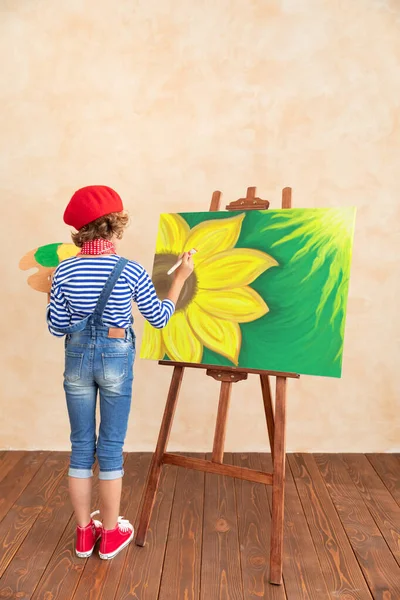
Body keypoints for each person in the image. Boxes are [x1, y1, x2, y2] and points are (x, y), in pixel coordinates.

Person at [47, 185, 193, 560]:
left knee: (81, 447)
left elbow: (56, 326)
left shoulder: (63, 270)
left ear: (79, 230)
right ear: (115, 225)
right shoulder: (130, 270)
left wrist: (53, 294)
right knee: (110, 448)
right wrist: (179, 278)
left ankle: (83, 535)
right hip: (115, 358)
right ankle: (110, 535)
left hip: (76, 359)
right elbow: (159, 318)